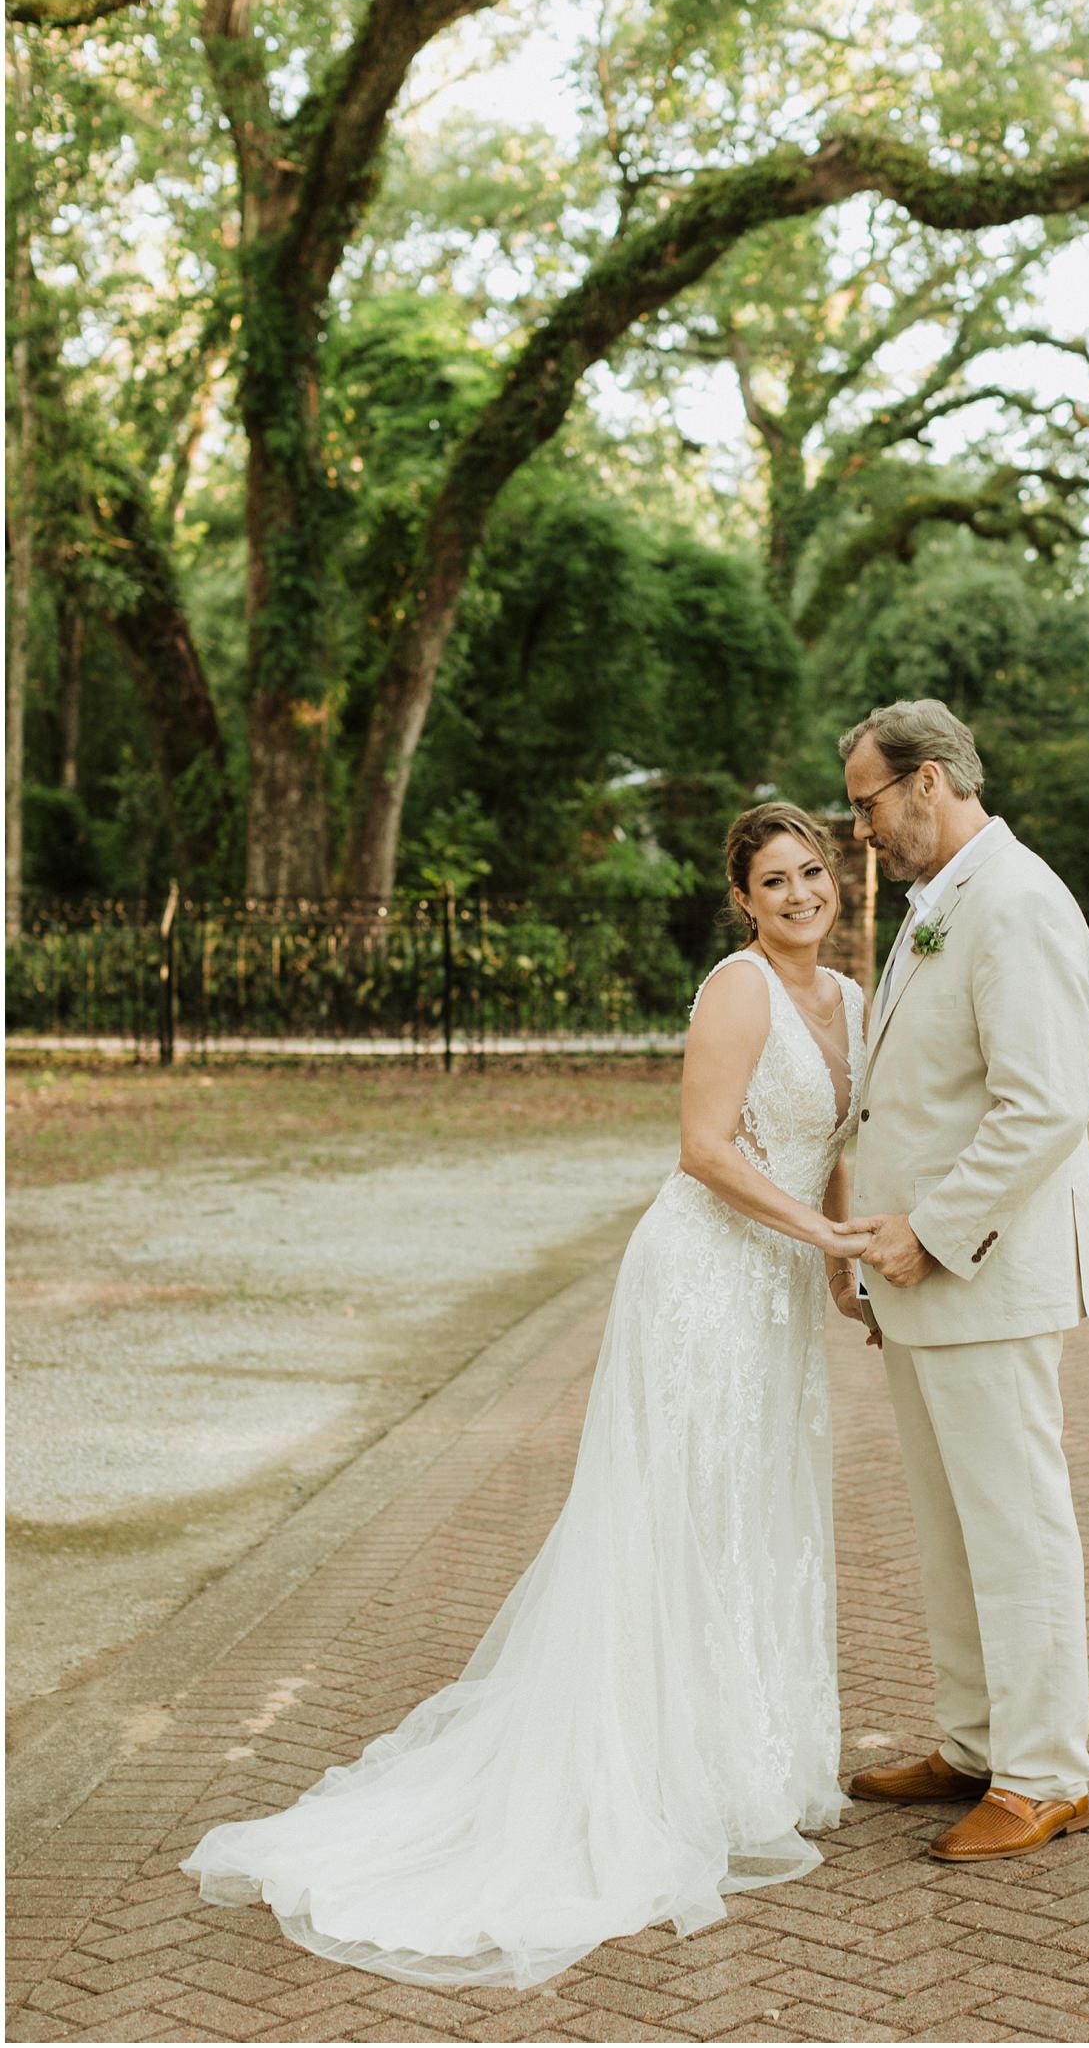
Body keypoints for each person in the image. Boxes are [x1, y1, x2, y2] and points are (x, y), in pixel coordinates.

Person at [181, 802, 869, 1989]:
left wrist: (840, 1267)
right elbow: (707, 1148)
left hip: (779, 1294)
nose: (802, 893)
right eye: (775, 879)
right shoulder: (738, 988)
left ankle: (748, 1762)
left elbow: (836, 1140)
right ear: (742, 899)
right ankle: (660, 1773)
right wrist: (821, 1230)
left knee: (759, 1508)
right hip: (703, 1281)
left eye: (814, 871)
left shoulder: (853, 1001)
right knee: (680, 1514)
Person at [833, 698, 1089, 1861]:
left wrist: (931, 1234)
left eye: (866, 803)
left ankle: (1048, 1772)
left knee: (1015, 1524)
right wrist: (878, 1253)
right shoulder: (935, 905)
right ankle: (972, 1742)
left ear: (929, 781)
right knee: (948, 1525)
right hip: (922, 1278)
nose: (859, 828)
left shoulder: (1016, 901)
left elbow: (1046, 1104)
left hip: (985, 1270)